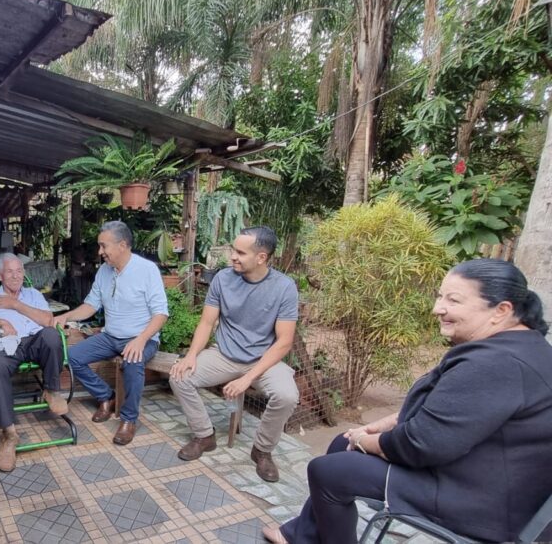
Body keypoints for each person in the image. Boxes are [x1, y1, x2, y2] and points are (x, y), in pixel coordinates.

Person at [262, 259, 552, 544]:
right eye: (440, 296)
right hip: (474, 468)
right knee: (342, 443)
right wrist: (382, 426)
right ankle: (300, 535)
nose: (438, 308)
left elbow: (422, 444)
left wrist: (367, 440)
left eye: (453, 300)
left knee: (328, 472)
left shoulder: (497, 364)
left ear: (501, 310)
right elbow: (452, 413)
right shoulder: (520, 346)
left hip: (480, 499)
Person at [168, 226, 299, 482]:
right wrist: (191, 355)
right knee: (180, 376)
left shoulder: (284, 287)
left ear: (261, 257)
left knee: (287, 396)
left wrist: (248, 378)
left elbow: (284, 342)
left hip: (264, 361)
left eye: (240, 252)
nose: (233, 257)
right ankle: (205, 436)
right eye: (233, 250)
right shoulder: (223, 279)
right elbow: (207, 323)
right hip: (224, 355)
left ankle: (262, 451)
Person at [54, 221, 168, 446]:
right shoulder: (104, 272)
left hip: (142, 337)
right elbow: (91, 305)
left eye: (103, 246)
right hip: (111, 336)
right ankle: (106, 396)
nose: (100, 252)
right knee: (73, 357)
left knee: (132, 361)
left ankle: (129, 419)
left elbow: (161, 314)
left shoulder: (147, 270)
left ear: (122, 245)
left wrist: (140, 340)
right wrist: (66, 316)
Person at [0, 254, 66, 472]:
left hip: (34, 342)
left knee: (51, 335)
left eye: (19, 271)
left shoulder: (33, 294)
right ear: (0, 276)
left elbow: (48, 321)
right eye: (9, 271)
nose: (15, 276)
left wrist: (16, 305)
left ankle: (51, 390)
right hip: (6, 345)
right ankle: (9, 434)